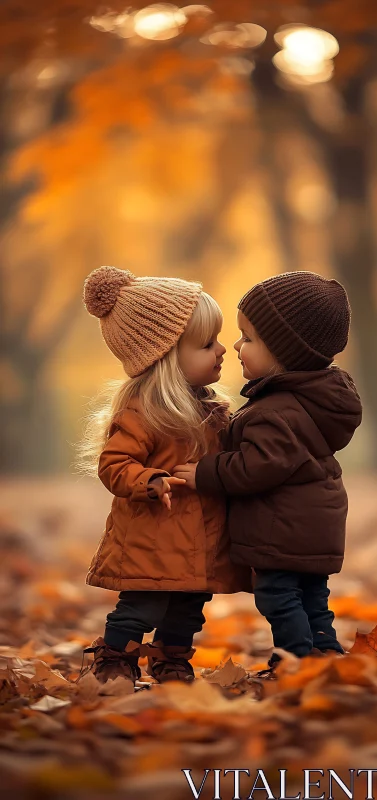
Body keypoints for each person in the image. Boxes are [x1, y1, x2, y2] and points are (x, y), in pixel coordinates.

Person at [174, 271, 362, 670]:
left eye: (248, 338)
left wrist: (205, 472)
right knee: (313, 598)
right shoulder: (310, 401)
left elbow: (256, 467)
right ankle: (326, 657)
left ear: (284, 352)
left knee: (278, 596)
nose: (236, 346)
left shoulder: (276, 412)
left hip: (284, 529)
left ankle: (295, 660)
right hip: (312, 526)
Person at [77, 266, 251, 688]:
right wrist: (149, 481)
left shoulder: (213, 411)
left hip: (200, 541)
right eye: (206, 344)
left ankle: (171, 661)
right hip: (152, 541)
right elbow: (114, 464)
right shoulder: (144, 412)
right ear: (166, 358)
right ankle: (114, 659)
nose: (222, 350)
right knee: (142, 608)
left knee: (188, 610)